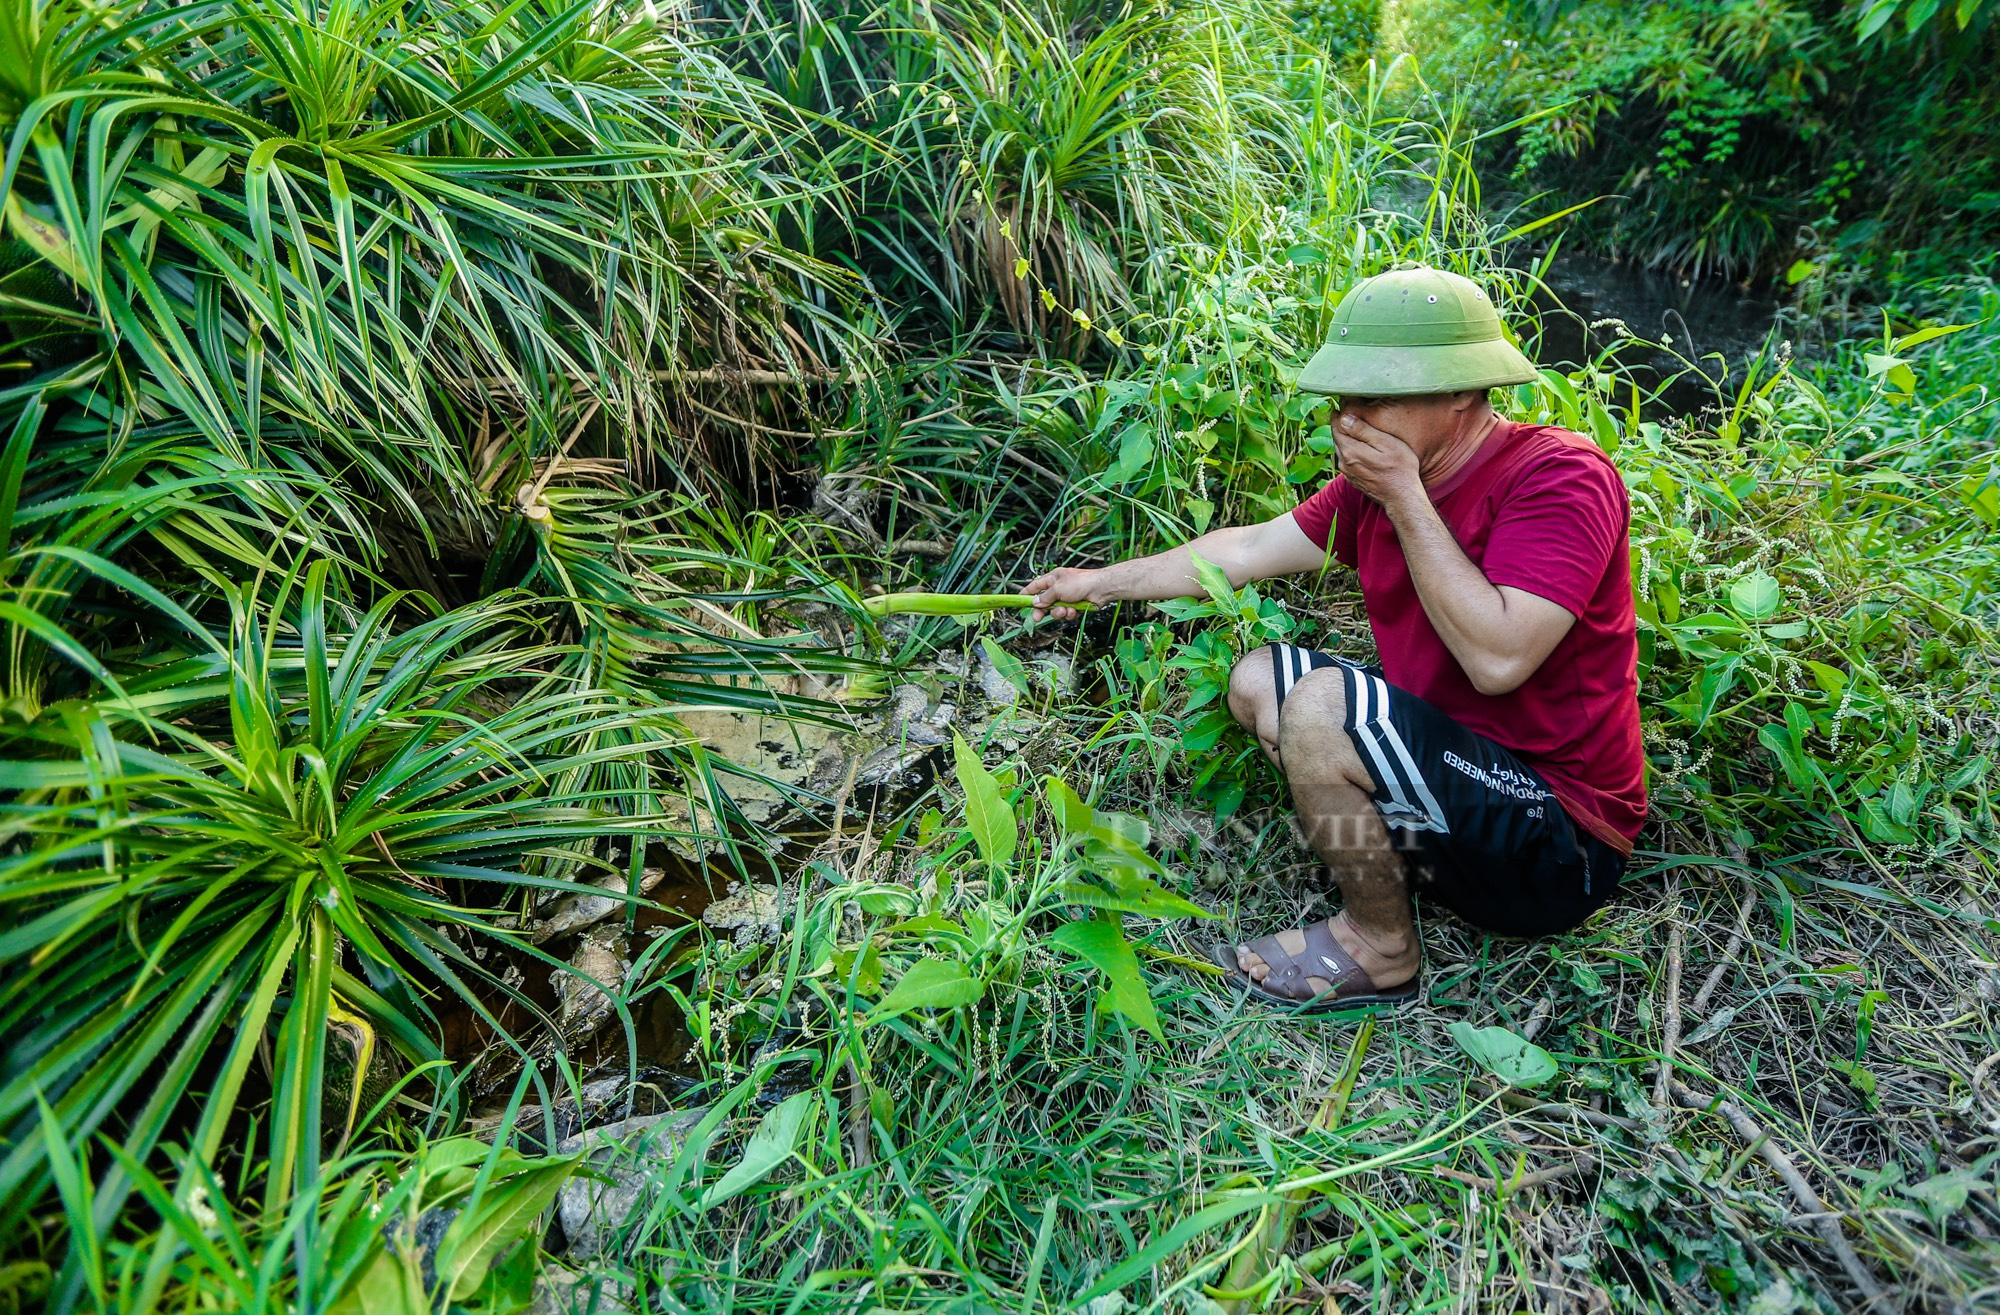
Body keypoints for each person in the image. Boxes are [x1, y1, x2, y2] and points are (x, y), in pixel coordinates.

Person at [1025, 266, 1646, 1013]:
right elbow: (1251, 548)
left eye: (1375, 397)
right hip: (1452, 773)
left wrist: (1406, 497)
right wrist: (1097, 583)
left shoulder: (1559, 475)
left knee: (1322, 706)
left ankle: (1381, 947)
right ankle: (1395, 858)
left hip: (1557, 837)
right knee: (1261, 678)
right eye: (1343, 398)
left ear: (1461, 390)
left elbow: (1499, 658)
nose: (1349, 420)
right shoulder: (1377, 486)